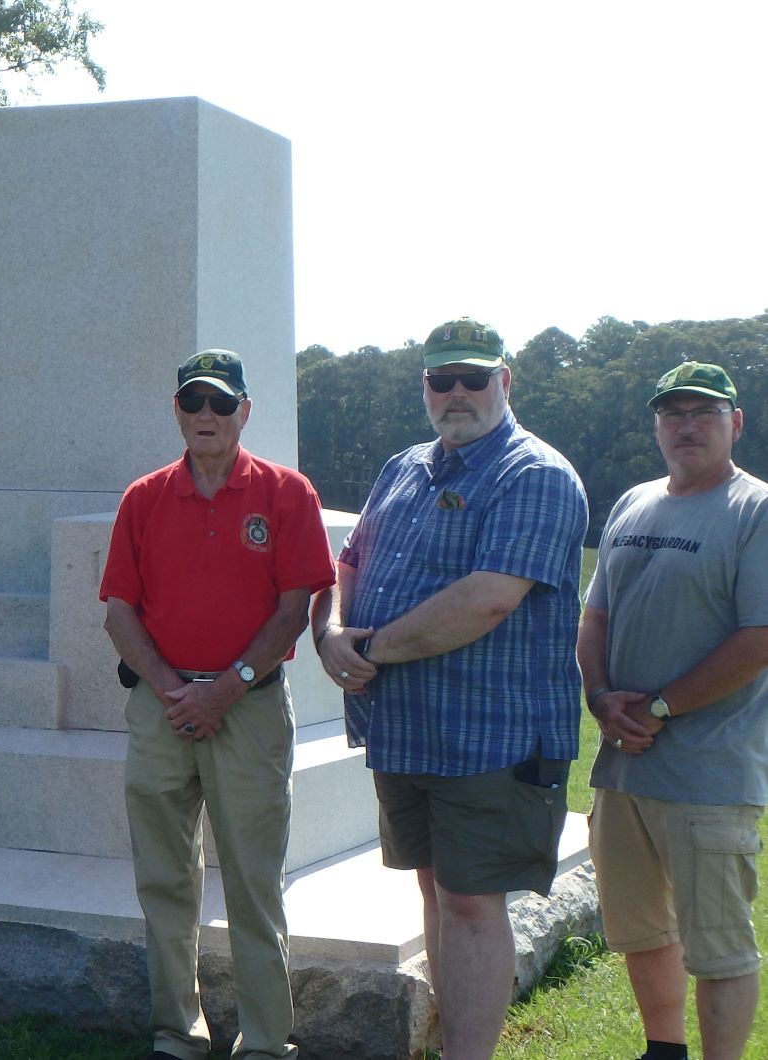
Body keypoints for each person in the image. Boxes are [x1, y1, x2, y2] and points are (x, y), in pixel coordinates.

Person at [312, 317, 587, 1060]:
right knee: (433, 891)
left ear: (505, 381)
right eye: (441, 379)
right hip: (403, 725)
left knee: (470, 900)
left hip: (488, 730)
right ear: (424, 388)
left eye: (473, 377)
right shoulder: (403, 466)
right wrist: (332, 632)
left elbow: (488, 598)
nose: (456, 393)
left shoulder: (533, 474)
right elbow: (348, 563)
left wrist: (369, 651)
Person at [100, 350, 334, 1060]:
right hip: (162, 709)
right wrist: (178, 692)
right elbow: (117, 611)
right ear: (176, 410)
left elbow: (296, 606)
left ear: (243, 412)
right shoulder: (142, 497)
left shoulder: (286, 494)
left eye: (220, 404)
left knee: (252, 882)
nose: (206, 416)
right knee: (164, 879)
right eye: (193, 403)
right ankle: (178, 1031)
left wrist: (224, 687)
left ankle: (264, 1042)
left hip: (249, 708)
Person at [579, 361, 768, 1060]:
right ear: (656, 426)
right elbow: (594, 615)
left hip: (707, 771)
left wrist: (659, 707)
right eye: (672, 413)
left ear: (734, 423)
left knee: (717, 944)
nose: (686, 425)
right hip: (622, 767)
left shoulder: (754, 510)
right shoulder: (631, 503)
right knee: (639, 931)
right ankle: (662, 1051)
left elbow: (758, 638)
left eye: (704, 412)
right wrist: (599, 699)